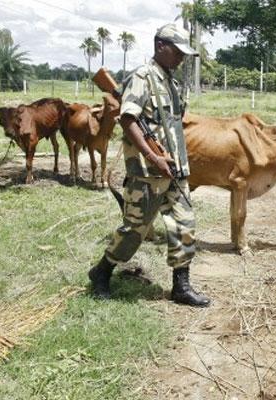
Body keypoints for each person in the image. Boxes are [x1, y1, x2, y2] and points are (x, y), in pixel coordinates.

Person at [88, 23, 210, 307]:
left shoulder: (172, 82)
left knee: (184, 224)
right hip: (148, 173)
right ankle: (101, 273)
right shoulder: (142, 77)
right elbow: (129, 120)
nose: (180, 58)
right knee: (135, 230)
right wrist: (153, 156)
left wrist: (175, 159)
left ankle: (181, 286)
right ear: (160, 47)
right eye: (177, 51)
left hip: (176, 168)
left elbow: (174, 124)